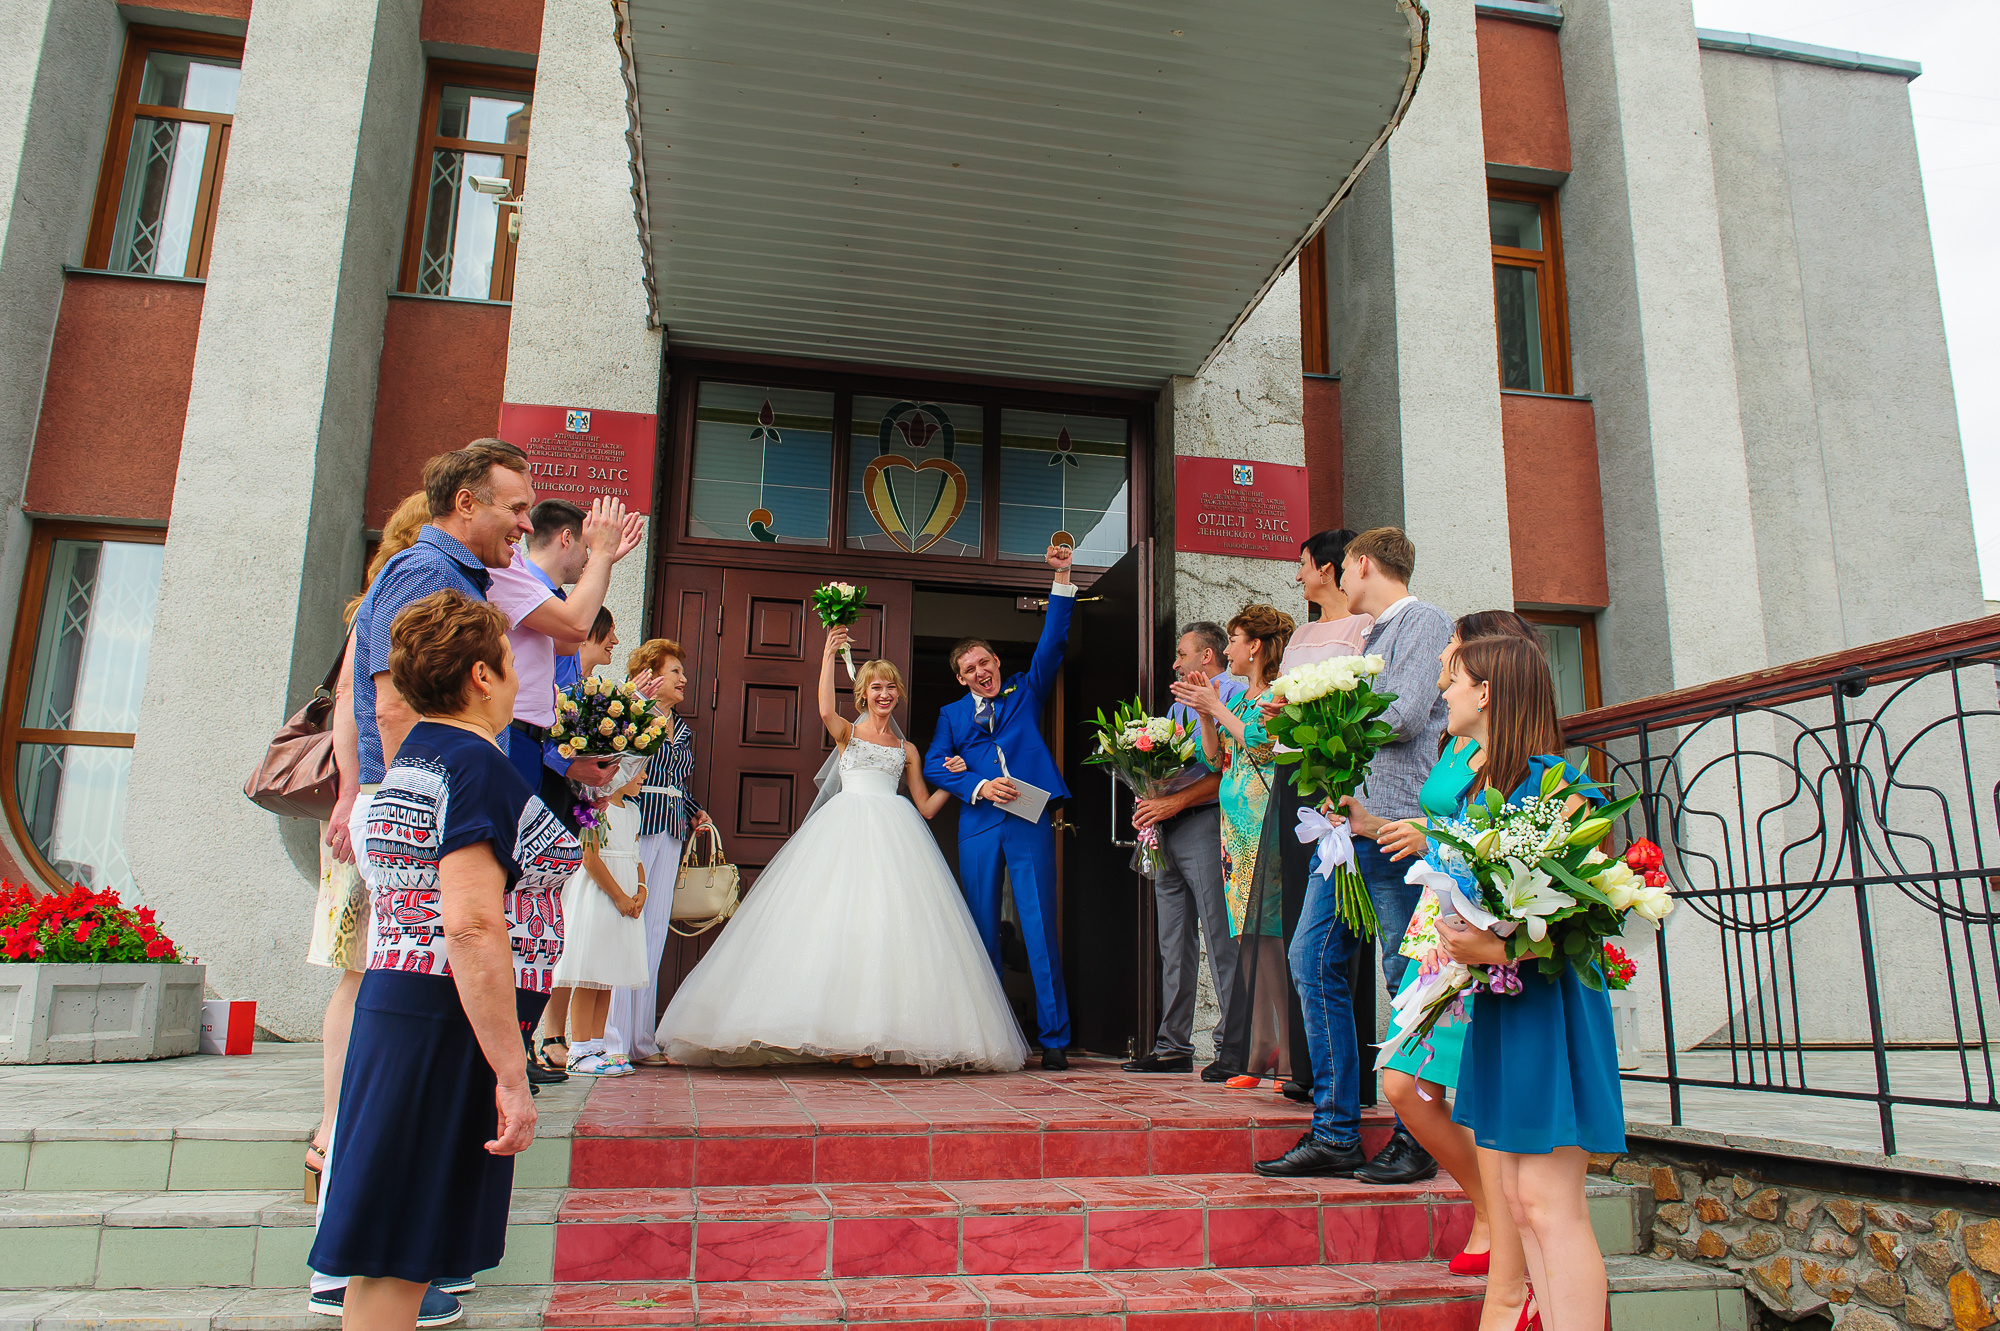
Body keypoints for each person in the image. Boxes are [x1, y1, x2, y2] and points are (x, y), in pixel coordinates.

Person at [308, 590, 581, 1329]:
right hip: (449, 1022)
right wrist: (510, 1069)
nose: (526, 677)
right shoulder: (475, 764)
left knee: (389, 1249)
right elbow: (468, 925)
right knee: (404, 1246)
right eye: (513, 661)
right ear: (484, 676)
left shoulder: (414, 757)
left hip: (403, 1008)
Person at [655, 630, 1027, 1072]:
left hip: (898, 836)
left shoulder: (907, 749)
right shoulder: (848, 733)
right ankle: (832, 1034)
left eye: (890, 687)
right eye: (876, 687)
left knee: (886, 930)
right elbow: (825, 708)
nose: (884, 694)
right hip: (844, 830)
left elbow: (925, 807)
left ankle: (870, 1038)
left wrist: (956, 778)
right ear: (864, 695)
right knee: (835, 924)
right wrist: (829, 653)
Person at [1419, 634, 1616, 1331]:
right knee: (1513, 1193)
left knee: (1547, 1202)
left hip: (1547, 1006)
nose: (1444, 690)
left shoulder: (1559, 784)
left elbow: (1590, 906)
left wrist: (1495, 940)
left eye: (1456, 679)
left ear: (1488, 691)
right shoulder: (1485, 790)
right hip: (1501, 1004)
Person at [1350, 611, 1543, 1198]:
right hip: (1436, 918)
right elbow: (1445, 824)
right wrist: (1379, 822)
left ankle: (1495, 1218)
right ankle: (1487, 1205)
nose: (1442, 655)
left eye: (1454, 647)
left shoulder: (1524, 759)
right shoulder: (1457, 738)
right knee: (1403, 1080)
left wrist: (1426, 836)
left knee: (1442, 1079)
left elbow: (1494, 836)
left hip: (1480, 920)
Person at [1276, 526, 1447, 1182]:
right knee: (1311, 958)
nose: (1337, 580)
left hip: (1398, 823)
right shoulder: (1370, 633)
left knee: (1406, 979)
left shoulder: (1423, 619)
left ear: (1364, 564)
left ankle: (1418, 1136)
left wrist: (1315, 717)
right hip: (1348, 825)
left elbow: (1402, 713)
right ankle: (1335, 1130)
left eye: (1343, 568)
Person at [1217, 529, 1372, 1094]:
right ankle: (1300, 1067)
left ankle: (1337, 1071)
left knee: (1330, 923)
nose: (1298, 575)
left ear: (1331, 568)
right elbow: (1278, 718)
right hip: (1292, 777)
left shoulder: (1364, 628)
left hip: (1334, 775)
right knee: (1294, 923)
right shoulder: (1304, 632)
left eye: (1303, 564)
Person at [309, 489, 428, 1191]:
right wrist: (351, 797)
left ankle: (333, 1129)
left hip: (361, 806)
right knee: (361, 970)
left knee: (362, 972)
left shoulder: (380, 605)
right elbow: (352, 719)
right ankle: (333, 1129)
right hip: (371, 809)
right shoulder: (385, 610)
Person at [923, 544, 1078, 1069]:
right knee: (982, 928)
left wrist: (1061, 578)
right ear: (961, 678)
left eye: (986, 661)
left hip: (1030, 818)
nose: (981, 671)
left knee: (1038, 928)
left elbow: (1053, 643)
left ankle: (1054, 1040)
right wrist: (980, 786)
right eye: (970, 668)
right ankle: (990, 1039)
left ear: (995, 663)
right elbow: (932, 766)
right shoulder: (949, 715)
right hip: (980, 824)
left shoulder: (1023, 691)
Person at [1170, 605, 1295, 1088]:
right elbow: (1213, 754)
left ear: (1256, 647)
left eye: (1236, 639)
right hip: (1234, 826)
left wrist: (1216, 706)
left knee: (1270, 939)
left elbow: (1262, 746)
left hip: (1265, 826)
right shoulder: (1238, 701)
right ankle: (1259, 1046)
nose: (1228, 649)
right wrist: (1206, 714)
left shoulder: (1277, 696)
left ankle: (1281, 1048)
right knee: (1245, 939)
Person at [1122, 622, 1244, 1075]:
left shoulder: (1234, 695)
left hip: (1208, 827)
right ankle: (1173, 1046)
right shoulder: (1176, 709)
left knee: (1220, 939)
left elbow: (1227, 772)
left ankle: (1231, 1047)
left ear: (1207, 656)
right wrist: (1146, 793)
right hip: (1168, 831)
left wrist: (1171, 801)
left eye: (1182, 653)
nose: (1174, 662)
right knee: (1173, 943)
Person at [483, 497, 644, 794]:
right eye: (587, 547)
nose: (588, 556)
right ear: (567, 538)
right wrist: (602, 557)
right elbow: (572, 633)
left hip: (535, 740)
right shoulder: (521, 581)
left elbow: (567, 645)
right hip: (513, 733)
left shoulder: (553, 595)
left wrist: (604, 560)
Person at [602, 638, 712, 1069]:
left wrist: (693, 811)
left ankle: (641, 1039)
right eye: (675, 672)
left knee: (653, 933)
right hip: (634, 824)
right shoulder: (630, 714)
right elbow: (616, 766)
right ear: (650, 675)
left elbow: (679, 782)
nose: (684, 679)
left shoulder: (681, 728)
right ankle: (611, 1040)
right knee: (626, 925)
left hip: (669, 830)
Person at [534, 609, 625, 1073]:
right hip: (552, 803)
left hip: (578, 809)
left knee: (560, 929)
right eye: (609, 634)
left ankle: (554, 1035)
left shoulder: (592, 689)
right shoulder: (561, 676)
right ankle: (547, 1034)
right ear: (590, 633)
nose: (615, 642)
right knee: (557, 926)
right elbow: (548, 743)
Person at [549, 762, 650, 1077]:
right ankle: (578, 1050)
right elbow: (590, 858)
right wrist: (619, 896)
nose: (644, 777)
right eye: (639, 771)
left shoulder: (633, 811)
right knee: (590, 972)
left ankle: (597, 1046)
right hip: (600, 895)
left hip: (626, 895)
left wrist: (641, 891)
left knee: (608, 975)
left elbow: (634, 857)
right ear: (619, 776)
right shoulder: (596, 809)